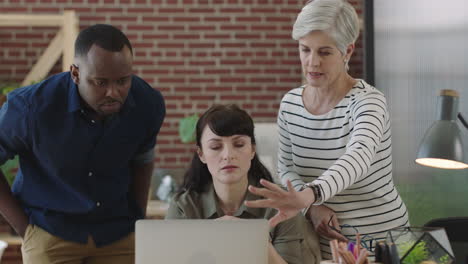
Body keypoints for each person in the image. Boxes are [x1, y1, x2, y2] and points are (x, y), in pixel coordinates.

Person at [245, 0, 409, 259]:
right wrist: (311, 208)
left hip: (381, 241)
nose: (312, 62)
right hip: (323, 243)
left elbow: (358, 157)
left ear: (347, 51)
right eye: (305, 49)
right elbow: (287, 168)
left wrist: (311, 195)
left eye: (324, 52)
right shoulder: (290, 104)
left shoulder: (368, 102)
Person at [0, 24, 165, 263]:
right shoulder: (29, 109)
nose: (114, 92)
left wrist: (136, 220)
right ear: (75, 74)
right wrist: (26, 230)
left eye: (122, 81)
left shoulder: (147, 103)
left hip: (117, 233)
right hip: (50, 232)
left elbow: (143, 160)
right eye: (101, 82)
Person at [166, 104, 305, 264]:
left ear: (252, 150)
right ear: (201, 154)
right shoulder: (183, 206)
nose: (228, 155)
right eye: (216, 147)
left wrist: (256, 240)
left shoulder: (281, 204)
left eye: (238, 145)